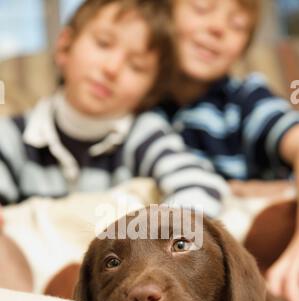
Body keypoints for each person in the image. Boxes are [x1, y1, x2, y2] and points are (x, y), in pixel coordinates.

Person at [0, 0, 228, 218]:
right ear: (64, 47)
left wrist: (158, 242)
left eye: (136, 66)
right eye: (103, 43)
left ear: (150, 91)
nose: (112, 68)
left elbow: (200, 187)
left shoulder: (145, 134)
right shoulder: (11, 135)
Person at [164, 0, 299, 301]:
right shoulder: (136, 108)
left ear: (242, 49)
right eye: (201, 8)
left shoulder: (244, 99)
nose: (218, 28)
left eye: (237, 26)